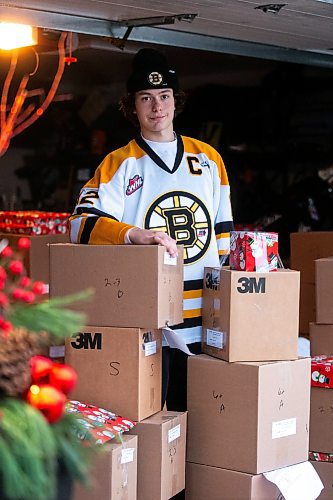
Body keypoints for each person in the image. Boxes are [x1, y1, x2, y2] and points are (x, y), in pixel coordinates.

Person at [69, 47, 233, 413]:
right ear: (132, 106)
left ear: (176, 101)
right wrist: (132, 234)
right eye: (146, 98)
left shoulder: (209, 159)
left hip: (205, 323)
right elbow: (79, 224)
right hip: (150, 321)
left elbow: (224, 243)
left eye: (164, 96)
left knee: (205, 431)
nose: (157, 106)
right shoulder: (119, 164)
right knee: (156, 426)